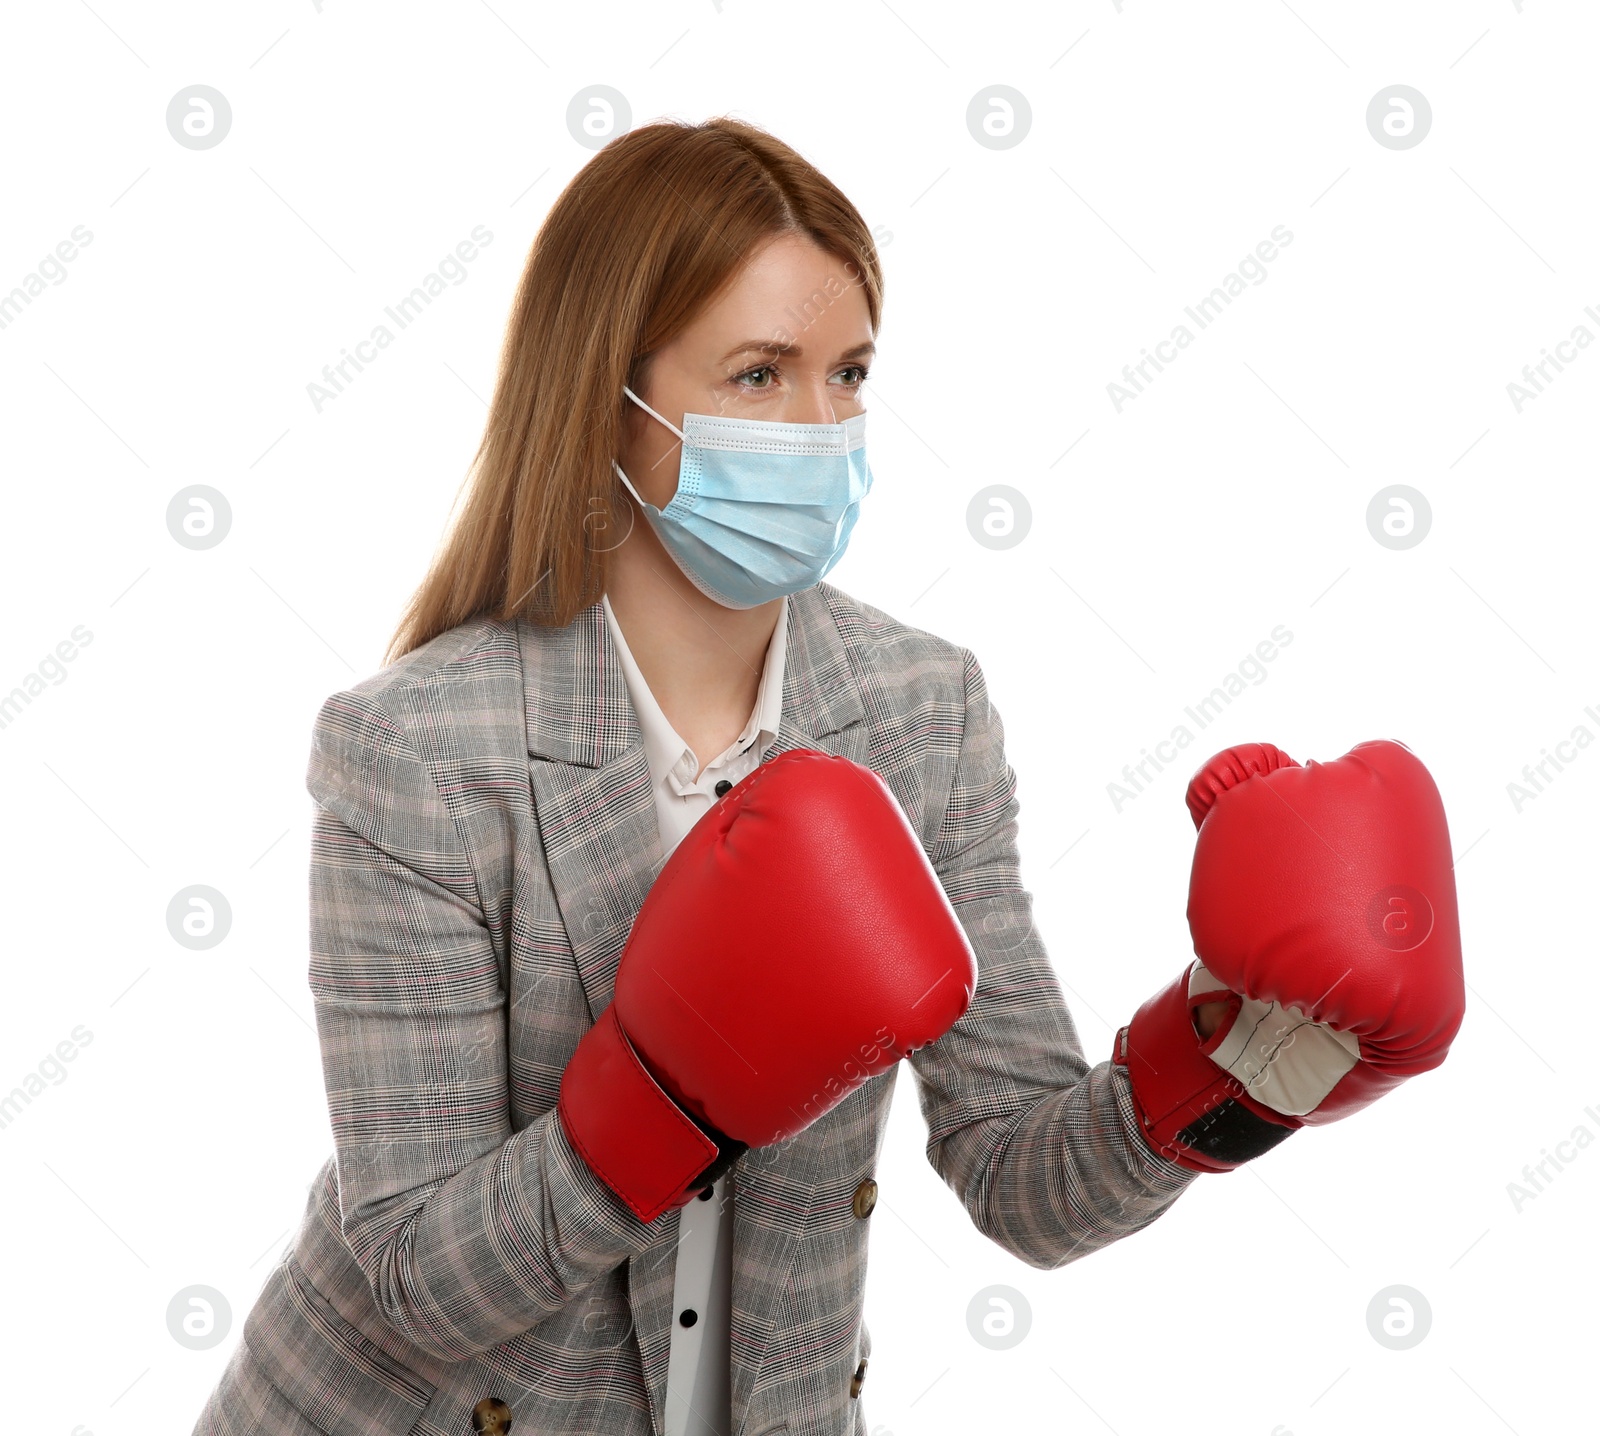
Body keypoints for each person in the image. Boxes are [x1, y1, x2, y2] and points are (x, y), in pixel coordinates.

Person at [191, 115, 1462, 1436]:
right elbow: (409, 1281)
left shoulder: (921, 710)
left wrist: (1231, 1057)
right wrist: (666, 1098)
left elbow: (1018, 1174)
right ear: (607, 403)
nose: (820, 427)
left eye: (848, 373)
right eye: (757, 375)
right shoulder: (419, 747)